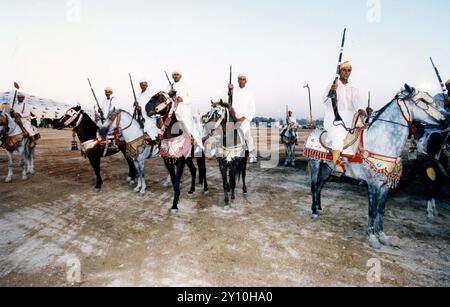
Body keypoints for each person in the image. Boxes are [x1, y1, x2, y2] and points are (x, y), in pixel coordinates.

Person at [323, 61, 365, 172]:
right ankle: (336, 164)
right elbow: (326, 102)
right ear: (339, 71)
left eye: (349, 70)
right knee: (338, 136)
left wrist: (361, 109)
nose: (347, 72)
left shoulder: (353, 88)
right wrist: (332, 91)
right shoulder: (332, 85)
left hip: (351, 118)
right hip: (335, 118)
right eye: (344, 70)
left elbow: (357, 102)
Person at [168, 70, 204, 152]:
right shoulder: (170, 86)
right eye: (174, 75)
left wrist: (182, 99)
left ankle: (194, 143)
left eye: (177, 75)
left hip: (184, 111)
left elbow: (191, 98)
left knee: (189, 128)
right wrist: (170, 95)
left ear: (180, 76)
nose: (175, 76)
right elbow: (167, 98)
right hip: (173, 110)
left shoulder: (185, 85)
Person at [227, 73, 257, 163]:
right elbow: (228, 101)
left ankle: (252, 155)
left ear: (246, 81)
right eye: (240, 79)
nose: (241, 80)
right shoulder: (233, 90)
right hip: (233, 118)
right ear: (237, 80)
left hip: (244, 119)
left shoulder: (249, 93)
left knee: (247, 137)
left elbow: (252, 107)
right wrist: (229, 90)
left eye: (243, 79)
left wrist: (243, 118)